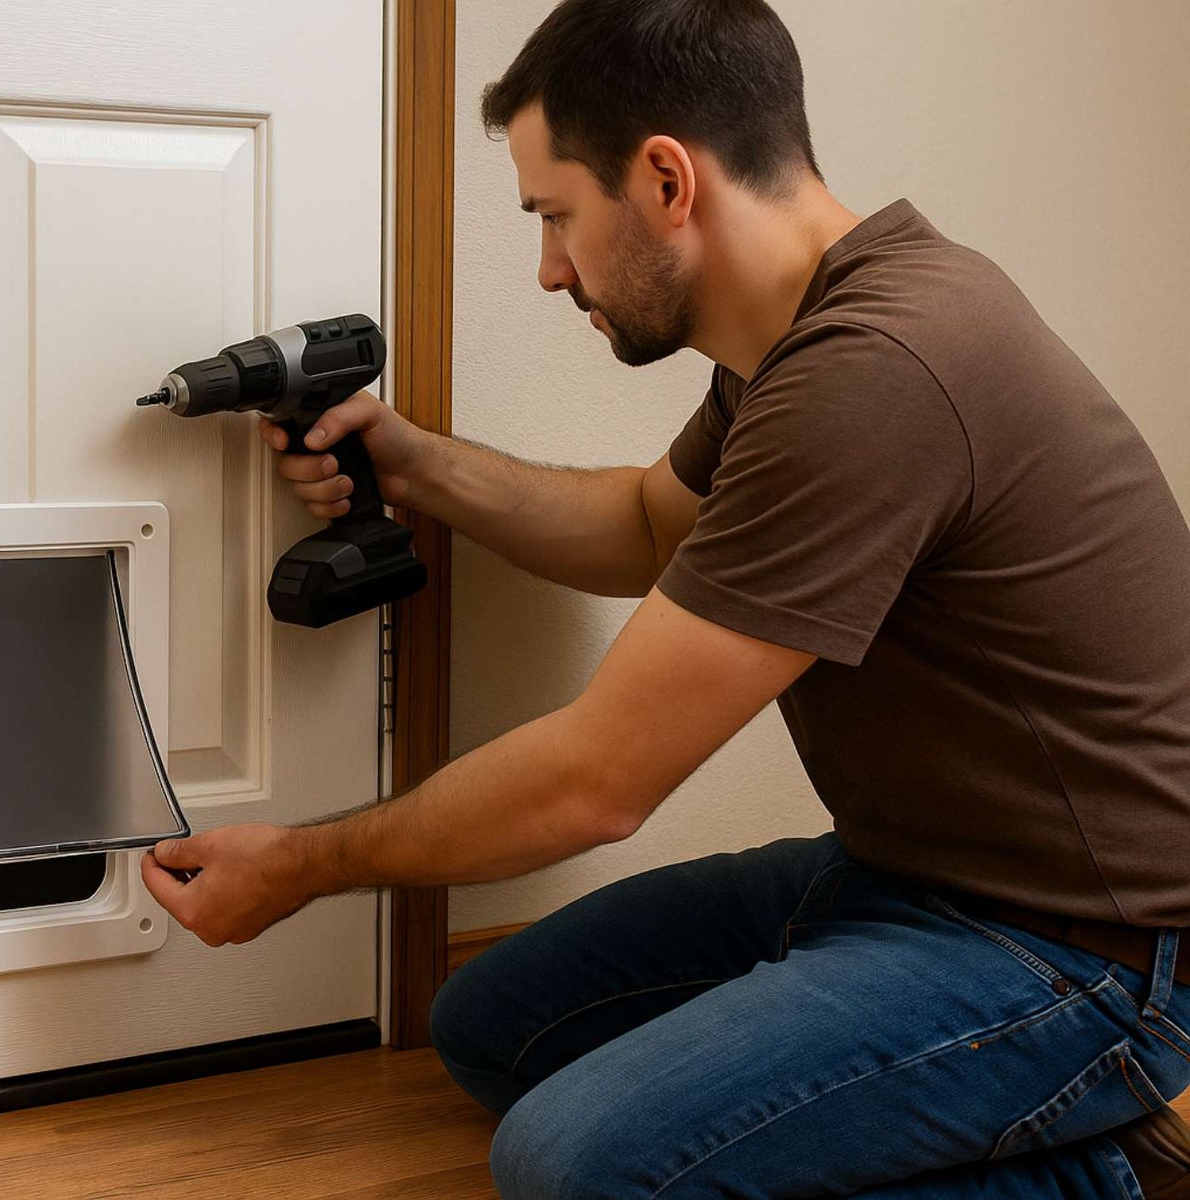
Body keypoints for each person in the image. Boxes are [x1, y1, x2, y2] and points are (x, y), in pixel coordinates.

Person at [139, 0, 1190, 1195]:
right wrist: (412, 458)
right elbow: (644, 523)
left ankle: (1092, 1164)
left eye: (554, 217)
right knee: (493, 1026)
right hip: (903, 877)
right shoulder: (809, 337)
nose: (547, 270)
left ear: (664, 179)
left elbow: (598, 784)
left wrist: (299, 865)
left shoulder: (877, 370)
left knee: (576, 1165)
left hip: (1084, 952)